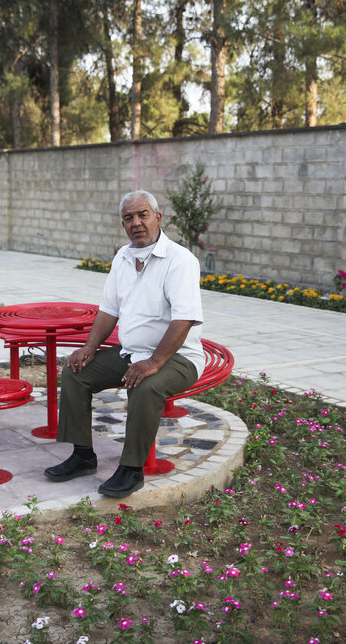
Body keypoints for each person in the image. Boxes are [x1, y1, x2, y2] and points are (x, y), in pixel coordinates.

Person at [44, 189, 205, 497]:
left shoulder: (180, 260)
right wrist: (90, 347)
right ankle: (82, 456)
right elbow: (109, 310)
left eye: (143, 215)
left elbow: (183, 320)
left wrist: (155, 363)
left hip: (178, 357)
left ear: (158, 218)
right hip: (132, 353)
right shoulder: (123, 257)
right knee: (76, 373)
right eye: (128, 218)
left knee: (146, 385)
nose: (136, 223)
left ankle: (131, 470)